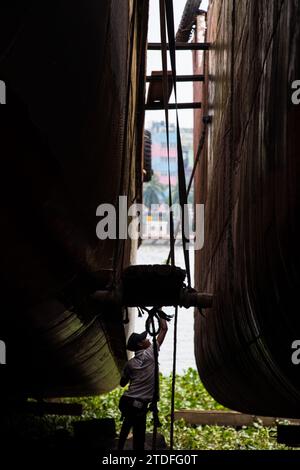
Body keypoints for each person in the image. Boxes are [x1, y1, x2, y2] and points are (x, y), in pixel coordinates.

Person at [117, 318, 168, 451]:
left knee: (128, 424)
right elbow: (164, 329)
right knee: (139, 438)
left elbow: (122, 383)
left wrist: (131, 374)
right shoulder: (151, 353)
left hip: (127, 402)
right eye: (145, 339)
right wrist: (160, 311)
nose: (148, 340)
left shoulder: (130, 364)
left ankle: (119, 449)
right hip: (138, 404)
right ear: (140, 344)